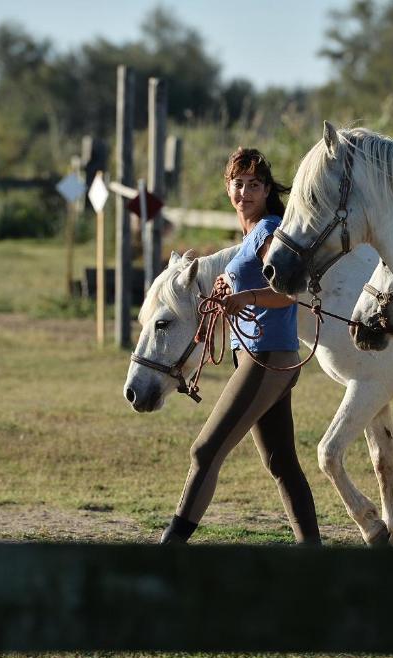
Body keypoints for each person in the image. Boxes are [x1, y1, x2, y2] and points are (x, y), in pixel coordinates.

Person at [160, 147, 321, 546]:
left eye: (254, 184)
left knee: (204, 451)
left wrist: (245, 297)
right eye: (238, 184)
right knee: (281, 462)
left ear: (267, 190)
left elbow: (289, 291)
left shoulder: (268, 230)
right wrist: (228, 289)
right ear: (228, 189)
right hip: (256, 354)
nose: (245, 191)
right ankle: (315, 556)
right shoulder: (250, 235)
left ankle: (169, 547)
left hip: (267, 357)